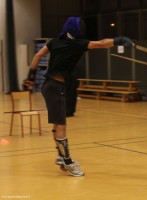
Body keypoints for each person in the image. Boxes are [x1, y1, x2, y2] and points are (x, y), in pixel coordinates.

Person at [30, 16, 133, 177]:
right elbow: (101, 43)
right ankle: (67, 163)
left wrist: (30, 76)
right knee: (61, 126)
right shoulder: (77, 44)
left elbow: (37, 56)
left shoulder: (54, 42)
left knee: (58, 125)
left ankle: (60, 157)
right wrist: (119, 40)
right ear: (79, 30)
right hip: (55, 89)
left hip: (48, 86)